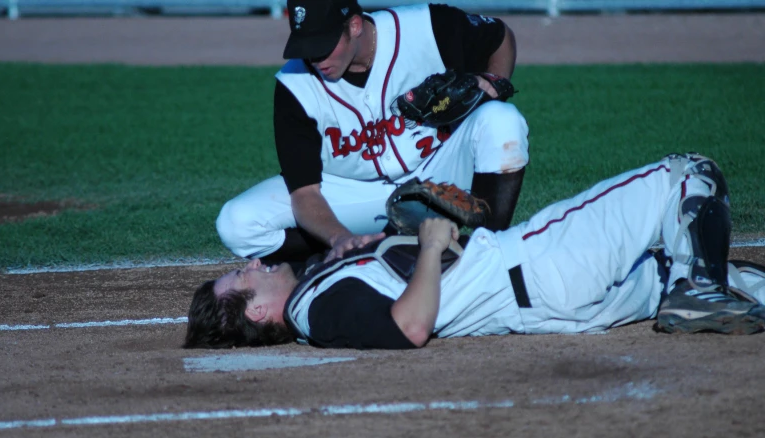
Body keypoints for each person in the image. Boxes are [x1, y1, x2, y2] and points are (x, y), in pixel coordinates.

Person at [184, 153, 765, 349]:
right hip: (541, 263)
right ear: (257, 311)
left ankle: (701, 287)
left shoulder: (319, 286)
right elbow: (410, 327)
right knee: (686, 174)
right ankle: (699, 295)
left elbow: (388, 288)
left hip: (558, 305)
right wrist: (433, 245)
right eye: (242, 276)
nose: (253, 263)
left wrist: (394, 236)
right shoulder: (320, 308)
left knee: (716, 269)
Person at [215, 0, 528, 265]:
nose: (315, 59)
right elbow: (304, 193)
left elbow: (501, 37)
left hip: (439, 178)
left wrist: (492, 83)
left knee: (502, 120)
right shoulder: (294, 86)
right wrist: (341, 239)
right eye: (306, 48)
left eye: (323, 46)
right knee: (237, 223)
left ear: (354, 26)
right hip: (355, 195)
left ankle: (488, 255)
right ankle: (344, 256)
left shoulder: (427, 28)